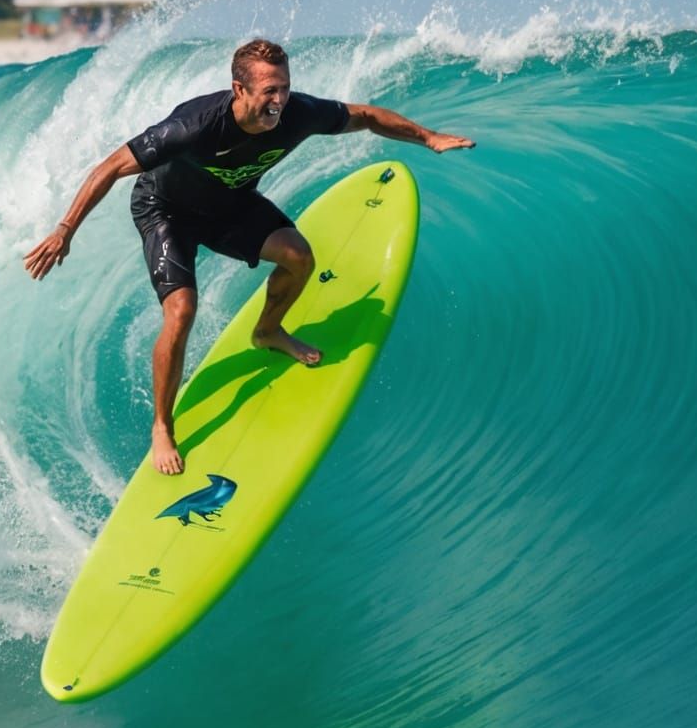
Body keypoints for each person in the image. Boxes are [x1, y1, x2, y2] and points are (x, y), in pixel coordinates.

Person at [24, 38, 473, 475]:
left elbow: (367, 116)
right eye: (269, 92)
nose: (279, 101)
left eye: (285, 88)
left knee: (299, 257)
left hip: (227, 205)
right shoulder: (195, 125)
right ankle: (162, 425)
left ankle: (268, 331)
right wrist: (65, 230)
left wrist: (428, 137)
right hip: (166, 212)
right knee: (181, 313)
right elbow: (111, 167)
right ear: (239, 90)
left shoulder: (298, 114)